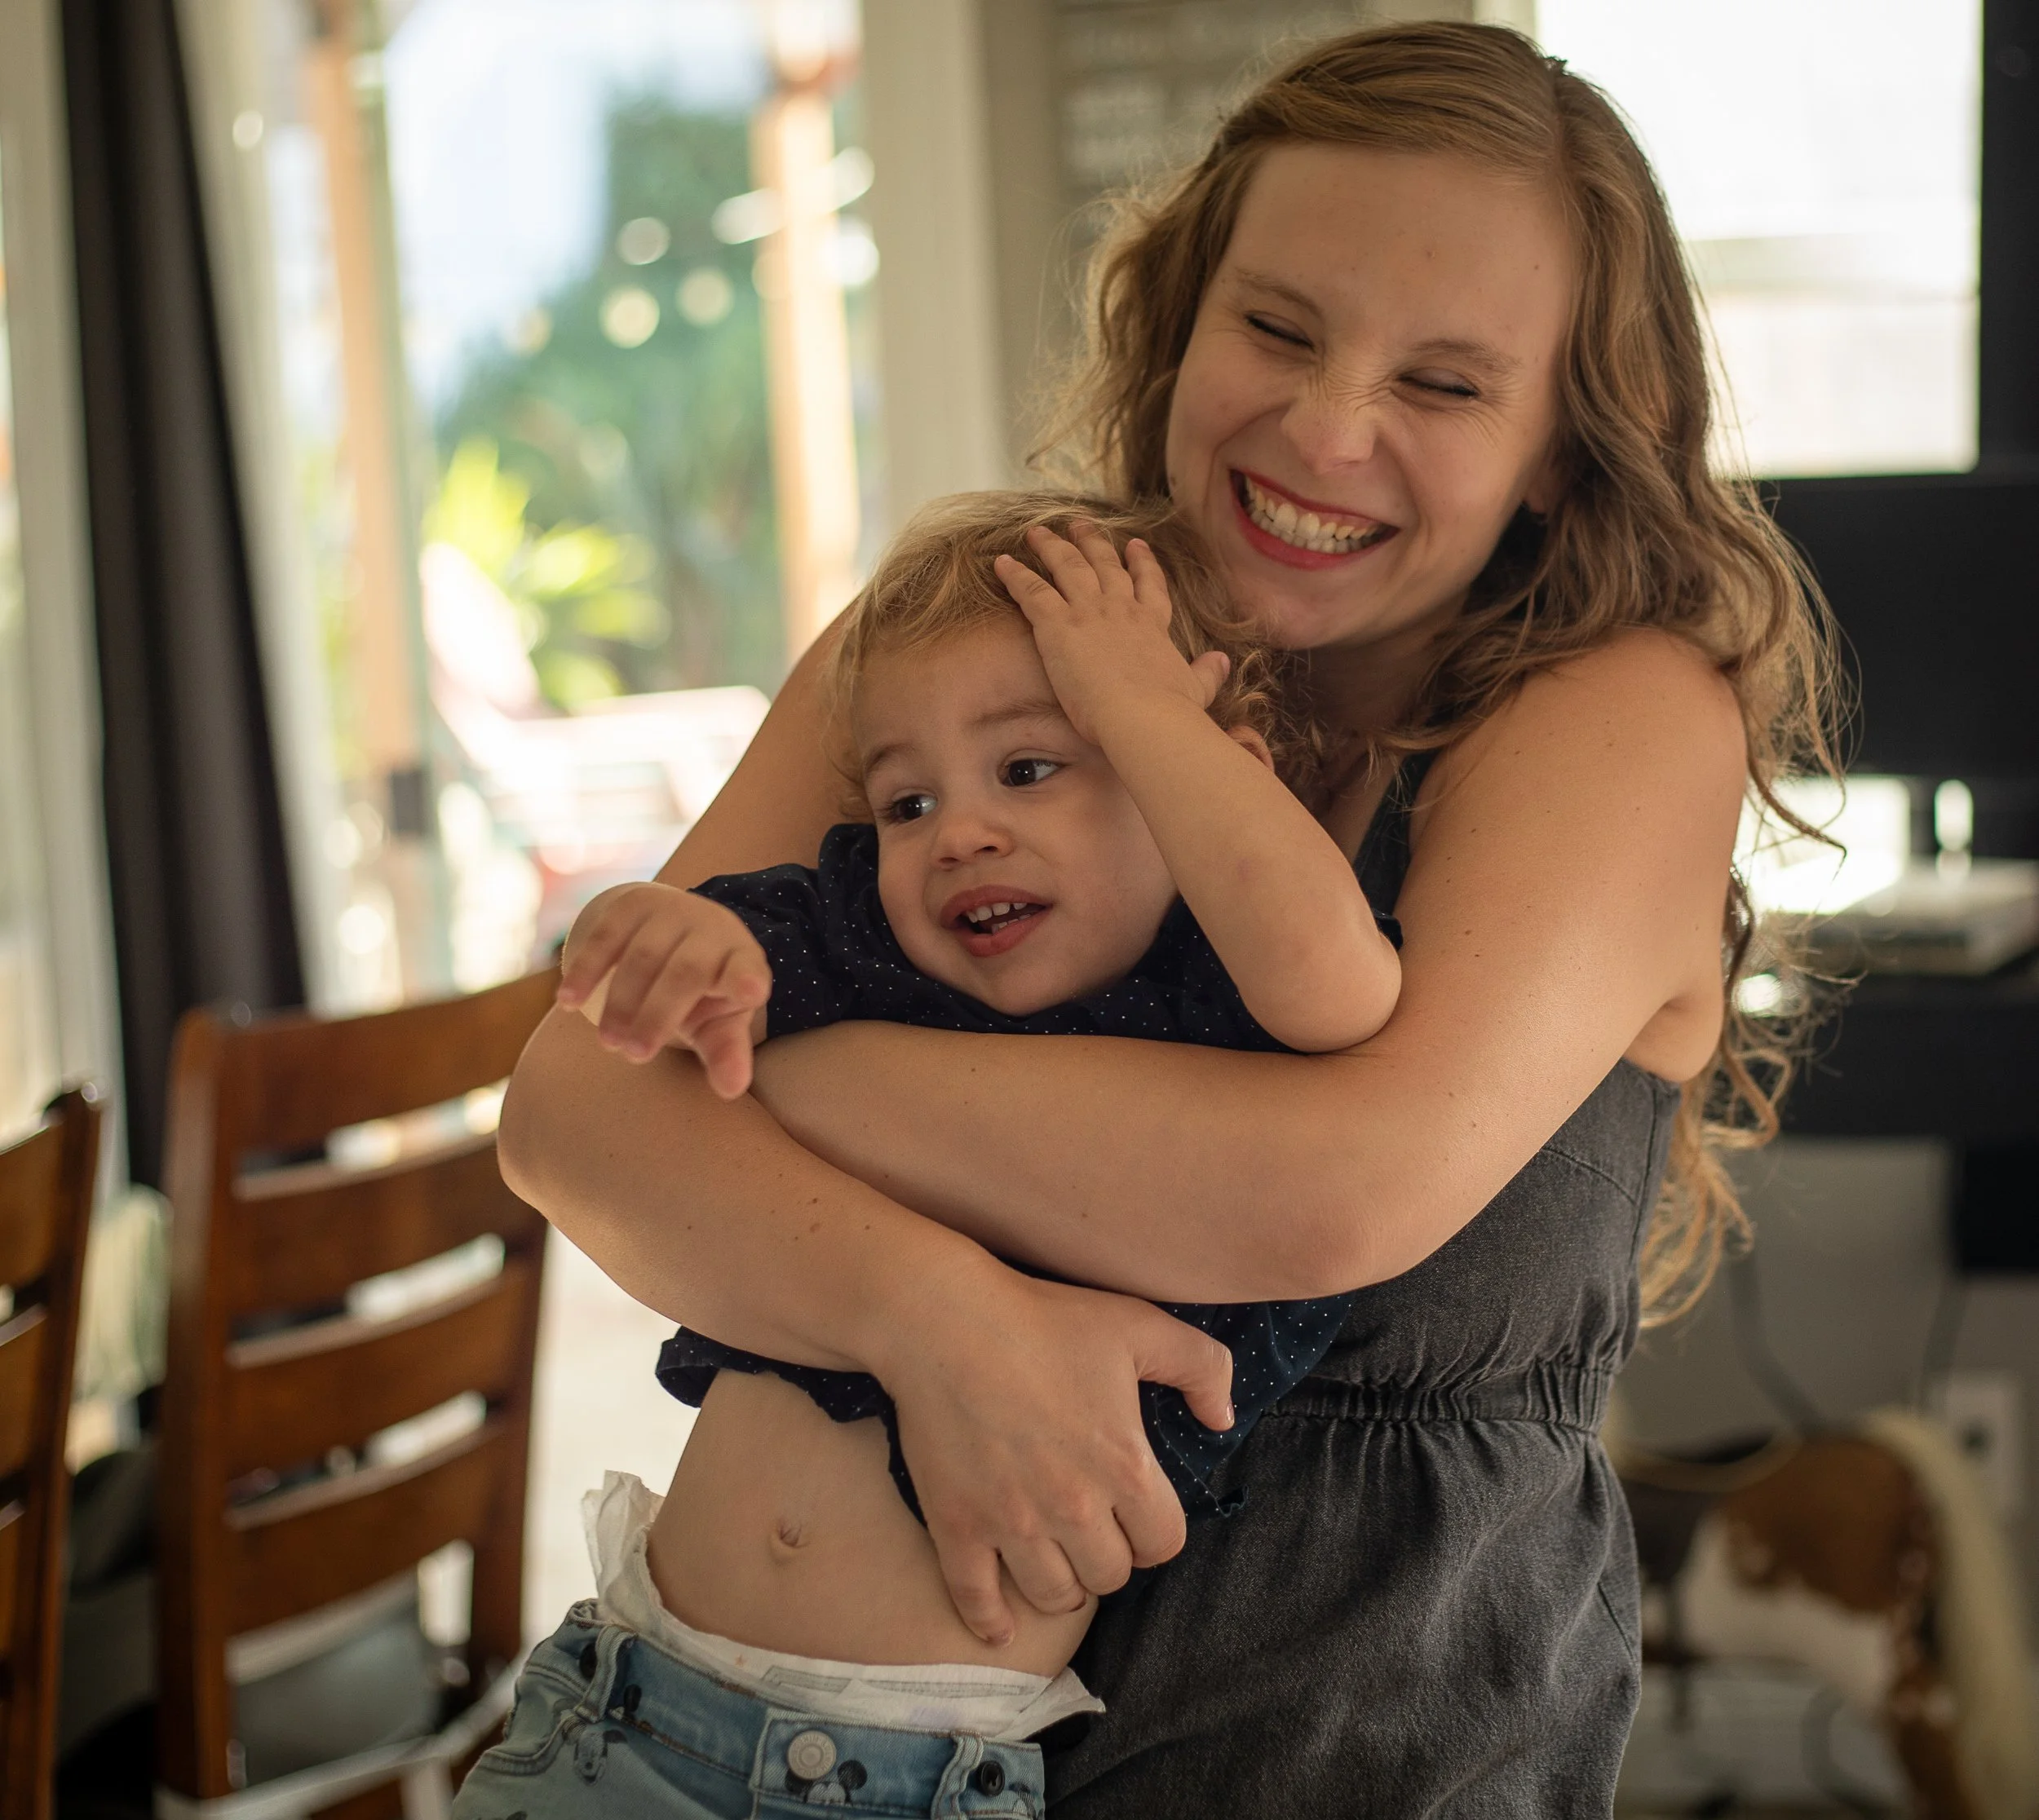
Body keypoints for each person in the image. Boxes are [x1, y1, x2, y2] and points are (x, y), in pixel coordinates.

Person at [496, 21, 1838, 1814]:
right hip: (857, 1742)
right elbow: (570, 1109)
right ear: (1181, 315)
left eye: (1442, 386)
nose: (1324, 426)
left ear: (1555, 452)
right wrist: (927, 1313)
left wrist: (785, 1088)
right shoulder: (979, 649)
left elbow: (1326, 1187)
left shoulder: (1616, 714)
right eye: (1275, 327)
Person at [453, 494, 1402, 1814]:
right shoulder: (869, 948)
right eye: (907, 800)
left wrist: (1145, 715)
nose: (958, 832)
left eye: (1029, 769)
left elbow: (1343, 991)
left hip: (901, 1781)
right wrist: (670, 941)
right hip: (620, 1705)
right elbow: (679, 983)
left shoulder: (1224, 1011)